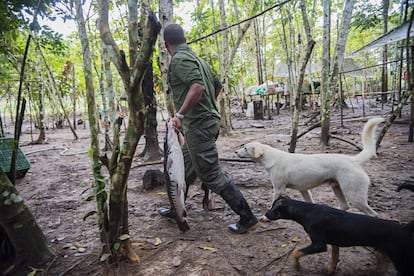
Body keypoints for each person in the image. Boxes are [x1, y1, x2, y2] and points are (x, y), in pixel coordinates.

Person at [159, 23, 259, 234]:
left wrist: (180, 115)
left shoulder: (179, 60)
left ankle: (247, 217)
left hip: (198, 125)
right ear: (184, 39)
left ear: (166, 44)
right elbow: (217, 85)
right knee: (185, 167)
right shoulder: (198, 60)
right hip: (205, 123)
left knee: (211, 174)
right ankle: (176, 209)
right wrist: (208, 106)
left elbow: (198, 87)